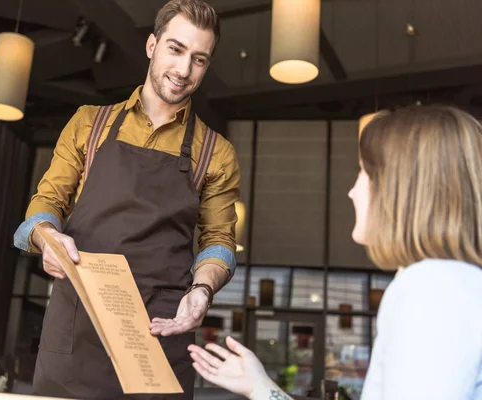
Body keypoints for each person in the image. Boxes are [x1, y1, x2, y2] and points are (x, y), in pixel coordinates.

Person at [13, 0, 240, 398]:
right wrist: (46, 236)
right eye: (175, 49)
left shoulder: (215, 153)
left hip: (160, 334)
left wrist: (201, 291)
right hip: (77, 330)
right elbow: (46, 203)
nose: (184, 70)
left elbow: (218, 241)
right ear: (152, 45)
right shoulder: (89, 123)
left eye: (199, 59)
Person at [188, 105, 482, 400]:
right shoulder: (450, 283)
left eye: (364, 173)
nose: (352, 191)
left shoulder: (430, 287)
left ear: (401, 188)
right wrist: (260, 387)